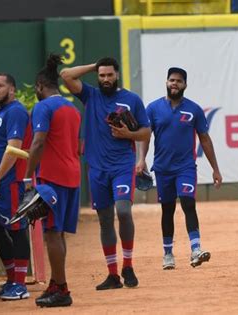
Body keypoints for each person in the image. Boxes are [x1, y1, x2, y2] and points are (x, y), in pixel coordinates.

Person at [61, 57, 151, 290]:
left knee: (122, 210)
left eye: (109, 75)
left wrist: (128, 135)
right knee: (104, 220)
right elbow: (66, 75)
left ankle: (128, 265)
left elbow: (146, 132)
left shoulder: (131, 100)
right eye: (101, 75)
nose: (106, 79)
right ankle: (113, 275)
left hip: (122, 165)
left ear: (117, 75)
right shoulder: (90, 95)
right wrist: (94, 65)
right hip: (97, 168)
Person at [136, 67, 222, 270]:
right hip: (163, 168)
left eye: (179, 81)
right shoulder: (153, 108)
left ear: (185, 85)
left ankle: (196, 249)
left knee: (187, 202)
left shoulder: (193, 110)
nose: (174, 83)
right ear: (166, 82)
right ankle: (167, 253)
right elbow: (145, 137)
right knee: (167, 209)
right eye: (171, 80)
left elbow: (205, 139)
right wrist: (141, 160)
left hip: (185, 167)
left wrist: (215, 169)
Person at [24, 54, 81, 307]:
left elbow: (37, 142)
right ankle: (57, 284)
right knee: (58, 234)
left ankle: (63, 289)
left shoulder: (43, 107)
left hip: (52, 178)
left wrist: (27, 175)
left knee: (51, 233)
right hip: (73, 176)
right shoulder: (72, 108)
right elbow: (79, 146)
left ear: (39, 86)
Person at [0, 73, 33, 300]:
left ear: (11, 89)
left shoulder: (15, 111)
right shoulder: (2, 111)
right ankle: (12, 279)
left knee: (17, 228)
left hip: (9, 182)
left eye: (0, 86)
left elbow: (13, 150)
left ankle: (20, 285)